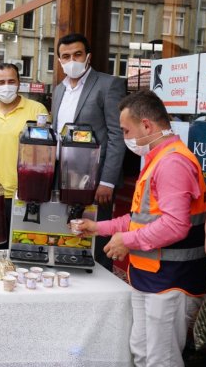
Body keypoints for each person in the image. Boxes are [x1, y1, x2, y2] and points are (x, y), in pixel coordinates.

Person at [74, 90, 206, 367]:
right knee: (143, 353)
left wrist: (128, 241)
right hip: (150, 277)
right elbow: (138, 218)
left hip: (172, 280)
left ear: (147, 125)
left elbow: (175, 224)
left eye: (126, 130)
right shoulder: (157, 159)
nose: (125, 138)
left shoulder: (172, 162)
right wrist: (97, 227)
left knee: (162, 360)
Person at [51, 32, 126, 270]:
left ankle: (101, 282)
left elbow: (117, 135)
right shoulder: (58, 91)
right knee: (68, 234)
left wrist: (108, 181)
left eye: (77, 54)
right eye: (66, 56)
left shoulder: (108, 85)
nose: (71, 60)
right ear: (60, 60)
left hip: (96, 181)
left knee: (97, 238)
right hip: (63, 179)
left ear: (88, 56)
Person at [0, 63, 48, 248]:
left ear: (19, 83)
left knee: (23, 248)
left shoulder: (37, 110)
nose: (6, 86)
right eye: (1, 82)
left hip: (24, 195)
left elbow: (45, 154)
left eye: (11, 81)